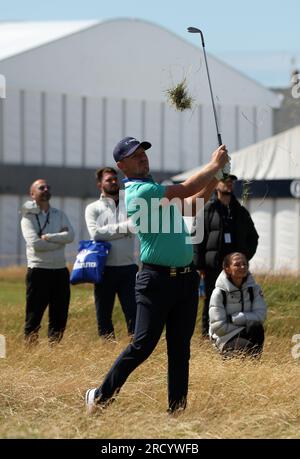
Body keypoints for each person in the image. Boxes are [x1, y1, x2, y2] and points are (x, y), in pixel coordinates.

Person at [85, 136, 229, 414]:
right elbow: (188, 187)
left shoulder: (154, 190)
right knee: (142, 345)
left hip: (186, 280)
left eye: (143, 153)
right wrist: (214, 165)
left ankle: (177, 413)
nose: (142, 157)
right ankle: (101, 396)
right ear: (121, 165)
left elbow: (192, 205)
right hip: (156, 280)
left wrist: (217, 176)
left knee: (180, 350)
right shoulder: (140, 192)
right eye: (134, 155)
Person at [193, 174, 259, 337]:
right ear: (215, 185)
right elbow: (195, 238)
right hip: (213, 268)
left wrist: (243, 260)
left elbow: (253, 237)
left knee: (238, 302)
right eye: (225, 181)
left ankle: (235, 336)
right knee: (212, 303)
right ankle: (207, 337)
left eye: (231, 181)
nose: (229, 183)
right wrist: (199, 266)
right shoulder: (206, 210)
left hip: (236, 271)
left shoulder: (241, 212)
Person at [85, 167, 138, 339]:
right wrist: (124, 228)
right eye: (109, 179)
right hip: (104, 270)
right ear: (100, 184)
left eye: (115, 178)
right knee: (104, 316)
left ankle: (135, 348)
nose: (114, 182)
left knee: (134, 315)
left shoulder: (130, 204)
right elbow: (96, 234)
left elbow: (136, 226)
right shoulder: (93, 208)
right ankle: (107, 353)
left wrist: (109, 231)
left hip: (129, 268)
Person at [20, 179, 75, 344]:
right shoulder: (27, 218)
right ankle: (30, 351)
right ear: (32, 194)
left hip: (60, 271)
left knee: (59, 316)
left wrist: (50, 237)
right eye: (41, 187)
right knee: (34, 315)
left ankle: (54, 351)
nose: (45, 189)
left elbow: (70, 236)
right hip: (38, 271)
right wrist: (60, 240)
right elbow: (35, 245)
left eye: (47, 187)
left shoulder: (59, 214)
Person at [209, 252, 267, 357]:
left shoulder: (254, 289)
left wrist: (233, 319)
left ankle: (255, 365)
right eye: (237, 264)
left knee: (256, 327)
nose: (242, 267)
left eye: (245, 264)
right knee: (248, 347)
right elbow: (219, 328)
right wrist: (246, 324)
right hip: (224, 338)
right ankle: (226, 357)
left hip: (245, 330)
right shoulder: (219, 293)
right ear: (227, 268)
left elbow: (260, 316)